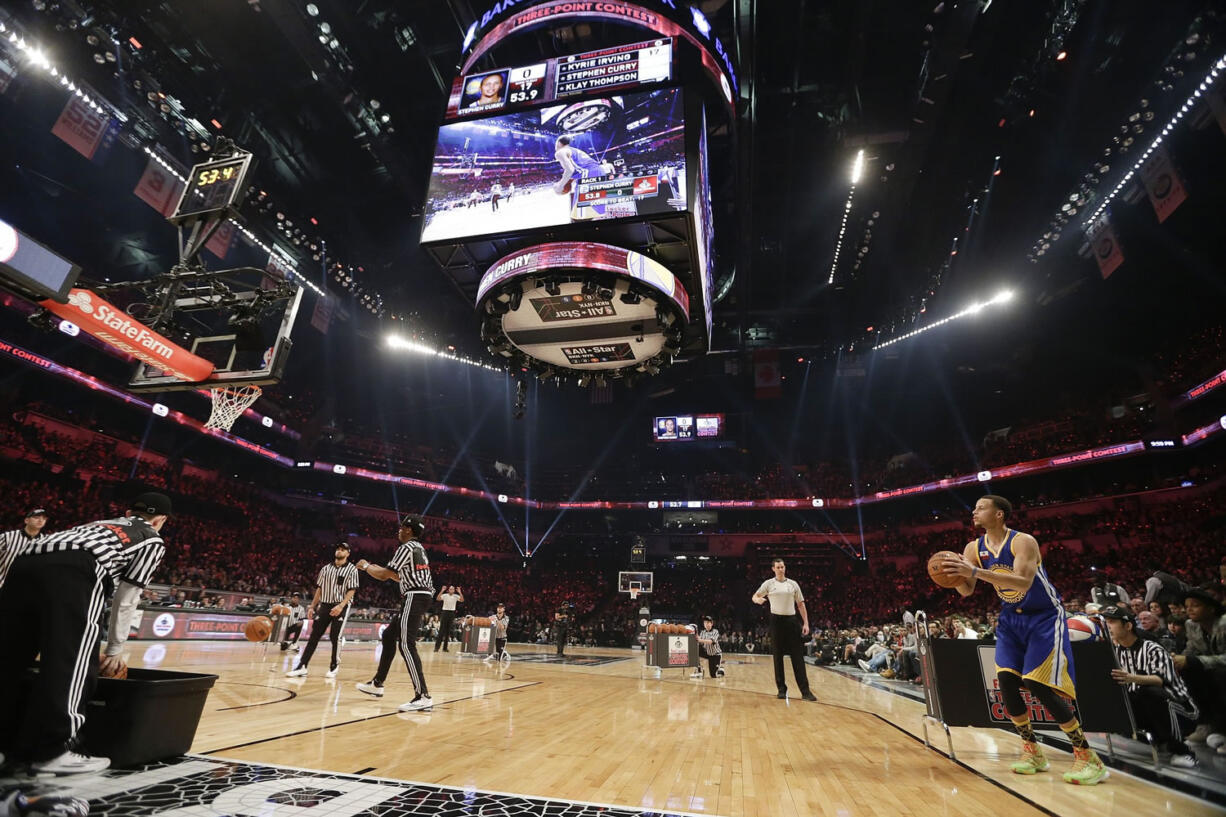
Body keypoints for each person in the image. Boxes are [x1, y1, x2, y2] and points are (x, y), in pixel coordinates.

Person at [0, 492, 171, 775]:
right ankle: (52, 750)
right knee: (71, 660)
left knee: (8, 655)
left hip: (26, 561)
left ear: (128, 512)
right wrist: (115, 649)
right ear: (161, 520)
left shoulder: (98, 523)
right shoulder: (152, 538)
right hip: (77, 569)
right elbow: (126, 598)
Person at [942, 495, 1107, 784]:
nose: (975, 511)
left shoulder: (1022, 541)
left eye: (981, 507)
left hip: (1044, 615)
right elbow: (967, 590)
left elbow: (1023, 582)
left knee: (1035, 682)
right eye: (975, 506)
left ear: (1000, 514)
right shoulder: (973, 548)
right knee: (1006, 680)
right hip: (1010, 617)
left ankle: (1087, 756)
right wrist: (952, 576)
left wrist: (975, 572)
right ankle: (1032, 752)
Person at [1100, 605, 1199, 767]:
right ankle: (1159, 739)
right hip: (1147, 708)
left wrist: (1131, 678)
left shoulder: (1152, 648)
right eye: (1105, 622)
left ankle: (1183, 751)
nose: (1107, 626)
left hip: (1180, 709)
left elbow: (1161, 681)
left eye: (1111, 622)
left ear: (1128, 626)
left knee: (1150, 692)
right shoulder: (1114, 651)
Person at [355, 515, 434, 711]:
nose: (399, 530)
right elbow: (398, 576)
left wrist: (366, 566)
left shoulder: (406, 548)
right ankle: (377, 684)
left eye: (402, 527)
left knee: (407, 644)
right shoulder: (420, 549)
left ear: (410, 530)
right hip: (421, 594)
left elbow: (384, 575)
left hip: (414, 596)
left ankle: (423, 696)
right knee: (389, 635)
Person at [286, 543, 360, 679]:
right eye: (338, 549)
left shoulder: (352, 570)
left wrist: (341, 605)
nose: (339, 551)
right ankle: (302, 666)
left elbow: (352, 590)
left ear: (348, 553)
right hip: (325, 604)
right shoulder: (325, 569)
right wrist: (312, 606)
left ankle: (334, 666)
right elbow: (319, 589)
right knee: (314, 635)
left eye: (343, 549)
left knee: (334, 636)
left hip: (341, 605)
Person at [751, 558, 817, 701]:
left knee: (797, 657)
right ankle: (781, 689)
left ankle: (805, 691)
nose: (781, 569)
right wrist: (758, 600)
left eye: (782, 567)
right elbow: (754, 596)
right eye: (778, 567)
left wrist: (805, 623)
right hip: (776, 621)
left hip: (792, 621)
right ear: (773, 569)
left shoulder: (793, 584)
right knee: (778, 657)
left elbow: (801, 604)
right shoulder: (768, 584)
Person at [1175, 588, 1226, 749]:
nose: (1188, 609)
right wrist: (1176, 660)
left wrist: (1193, 660)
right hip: (1213, 670)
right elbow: (1190, 651)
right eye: (1186, 605)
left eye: (1195, 605)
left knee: (1219, 675)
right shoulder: (1191, 625)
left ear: (1211, 608)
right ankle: (1207, 724)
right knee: (1185, 671)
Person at [0, 507, 49, 591]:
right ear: (26, 520)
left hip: (26, 589)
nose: (40, 520)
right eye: (36, 517)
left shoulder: (46, 541)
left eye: (43, 518)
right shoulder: (8, 537)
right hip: (2, 584)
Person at [434, 585, 464, 652]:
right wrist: (442, 590)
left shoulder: (456, 596)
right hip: (445, 612)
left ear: (454, 590)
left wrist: (460, 592)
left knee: (448, 631)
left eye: (452, 589)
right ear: (448, 590)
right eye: (450, 589)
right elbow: (438, 598)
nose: (451, 590)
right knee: (441, 631)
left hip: (452, 613)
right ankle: (436, 647)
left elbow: (462, 600)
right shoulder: (445, 595)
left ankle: (445, 648)